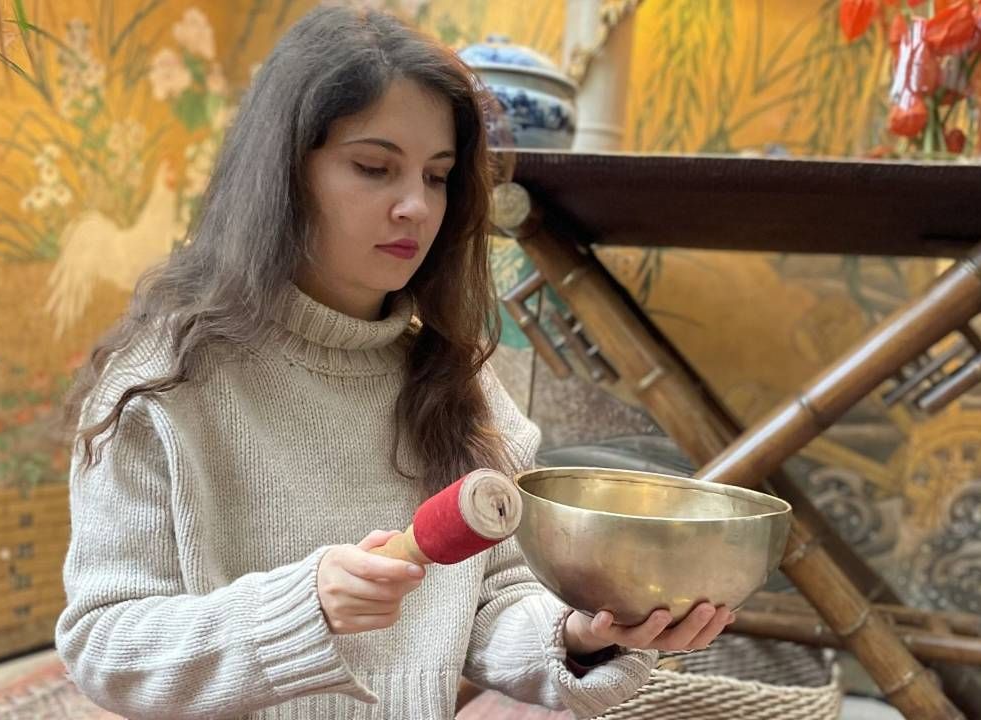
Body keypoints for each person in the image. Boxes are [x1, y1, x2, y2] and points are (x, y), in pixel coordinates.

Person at [54, 6, 733, 719]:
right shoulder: (166, 380)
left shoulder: (455, 382)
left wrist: (578, 635)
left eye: (437, 177)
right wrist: (302, 609)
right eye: (374, 167)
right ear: (282, 173)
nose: (415, 206)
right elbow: (106, 644)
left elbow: (495, 599)